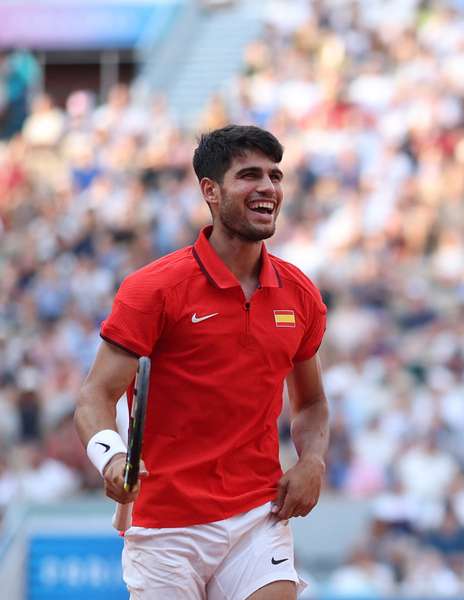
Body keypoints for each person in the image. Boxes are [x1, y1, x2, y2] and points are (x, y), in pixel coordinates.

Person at [74, 124, 329, 600]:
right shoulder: (153, 289)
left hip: (259, 515)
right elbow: (95, 396)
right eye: (249, 175)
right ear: (209, 191)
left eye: (275, 176)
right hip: (165, 528)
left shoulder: (301, 293)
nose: (268, 188)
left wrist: (311, 460)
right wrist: (109, 458)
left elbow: (311, 403)